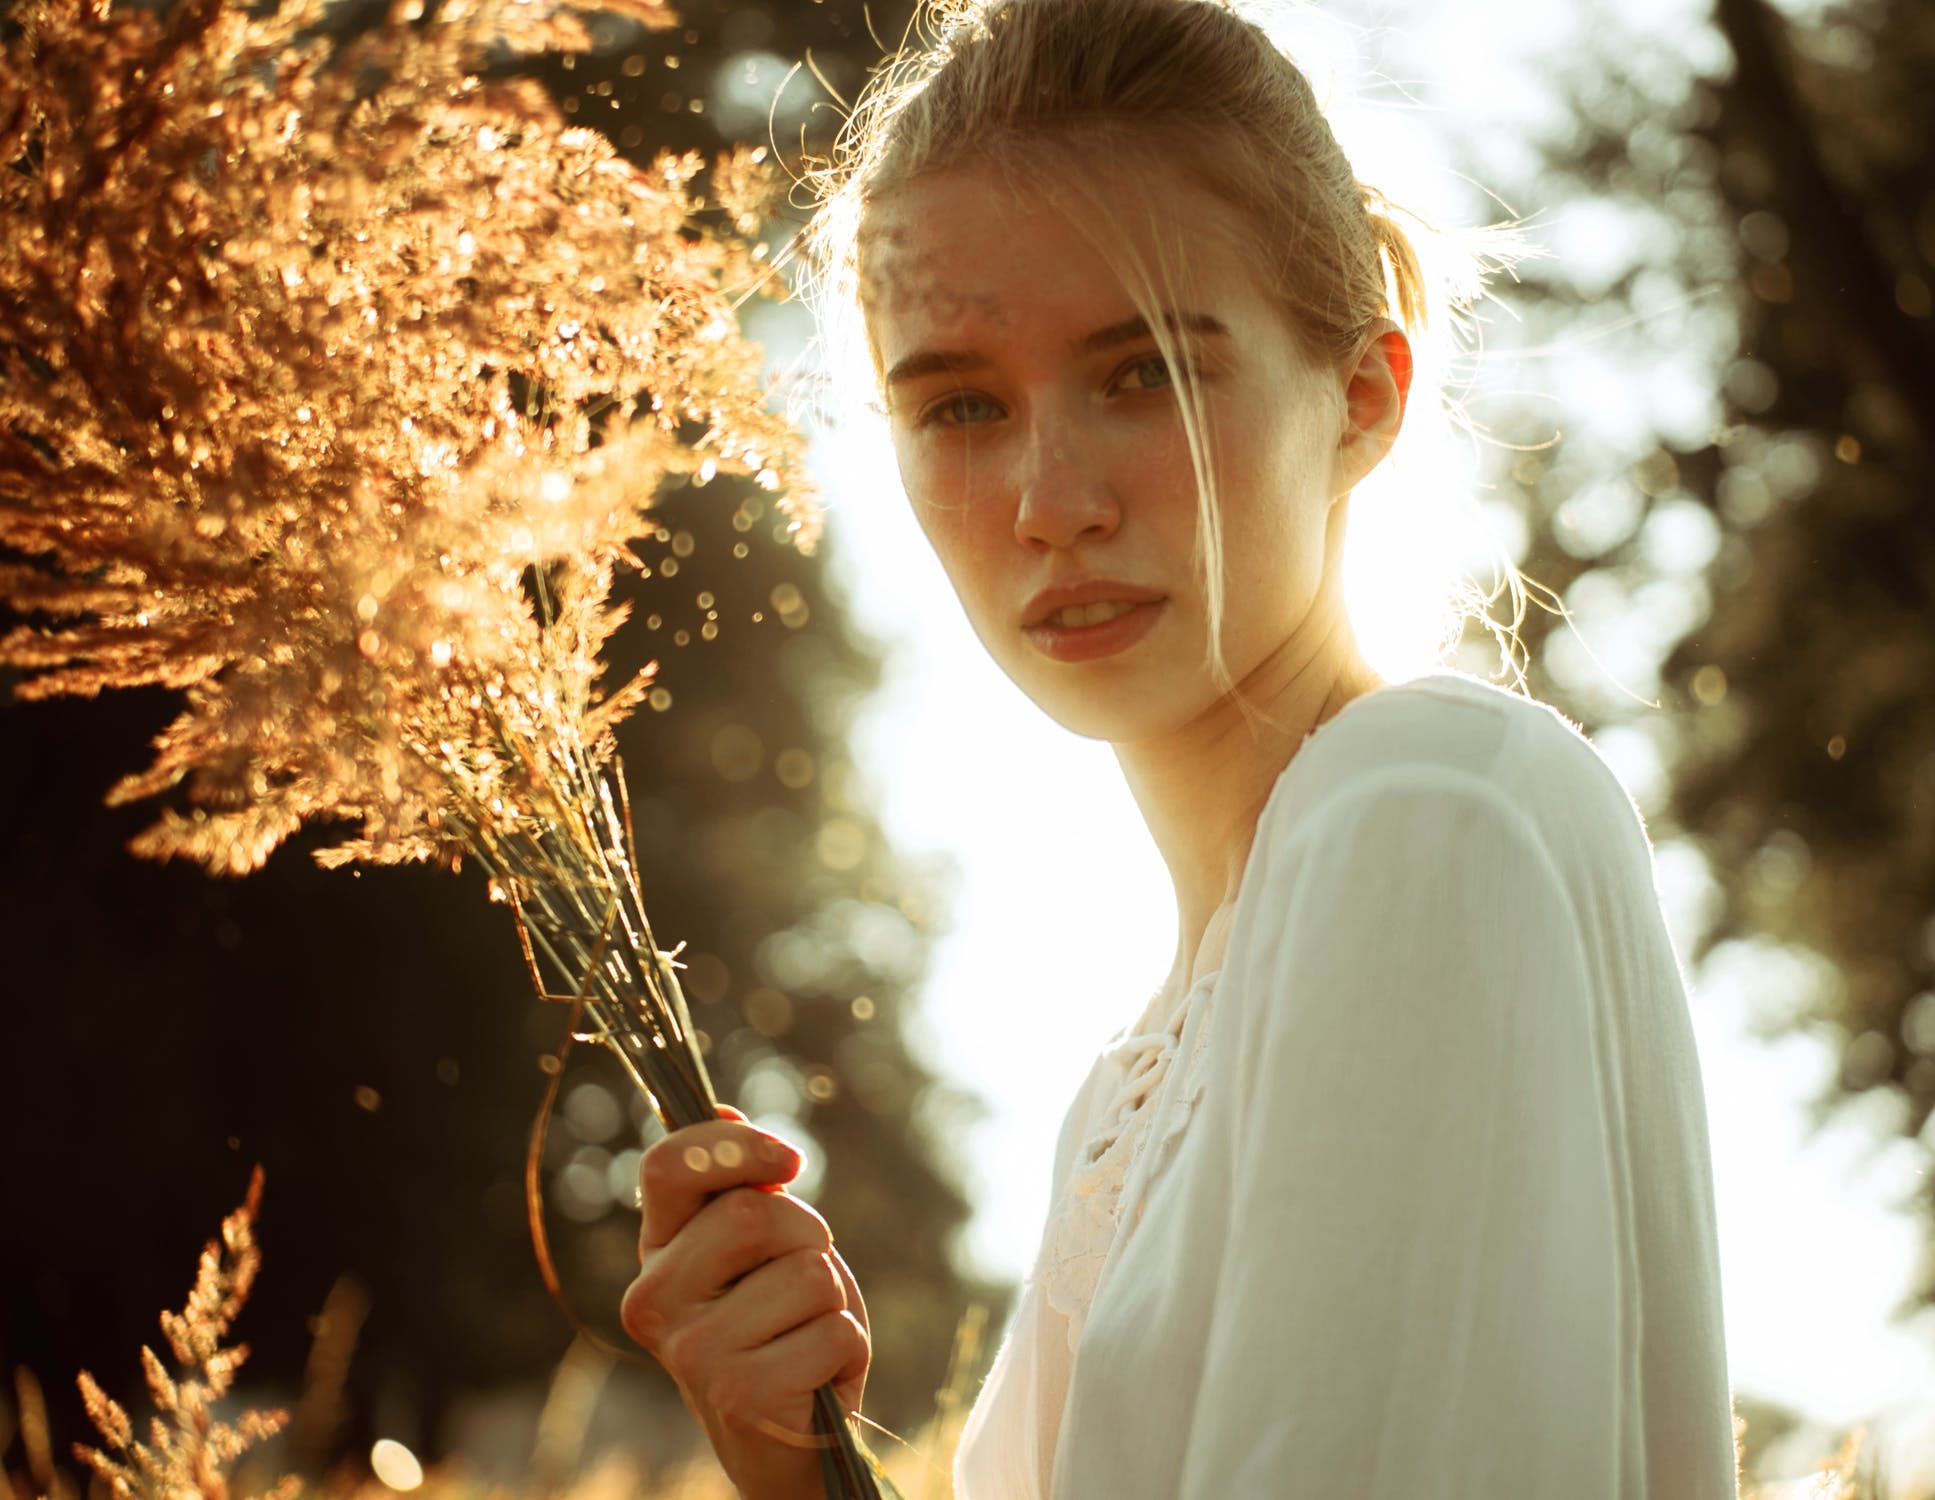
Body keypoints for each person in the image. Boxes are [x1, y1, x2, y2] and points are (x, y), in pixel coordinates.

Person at [619, 0, 1742, 1495]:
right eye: (959, 402)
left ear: (1362, 395)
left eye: (1141, 368)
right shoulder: (1134, 1070)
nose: (1049, 496)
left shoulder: (1418, 813)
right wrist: (790, 1468)